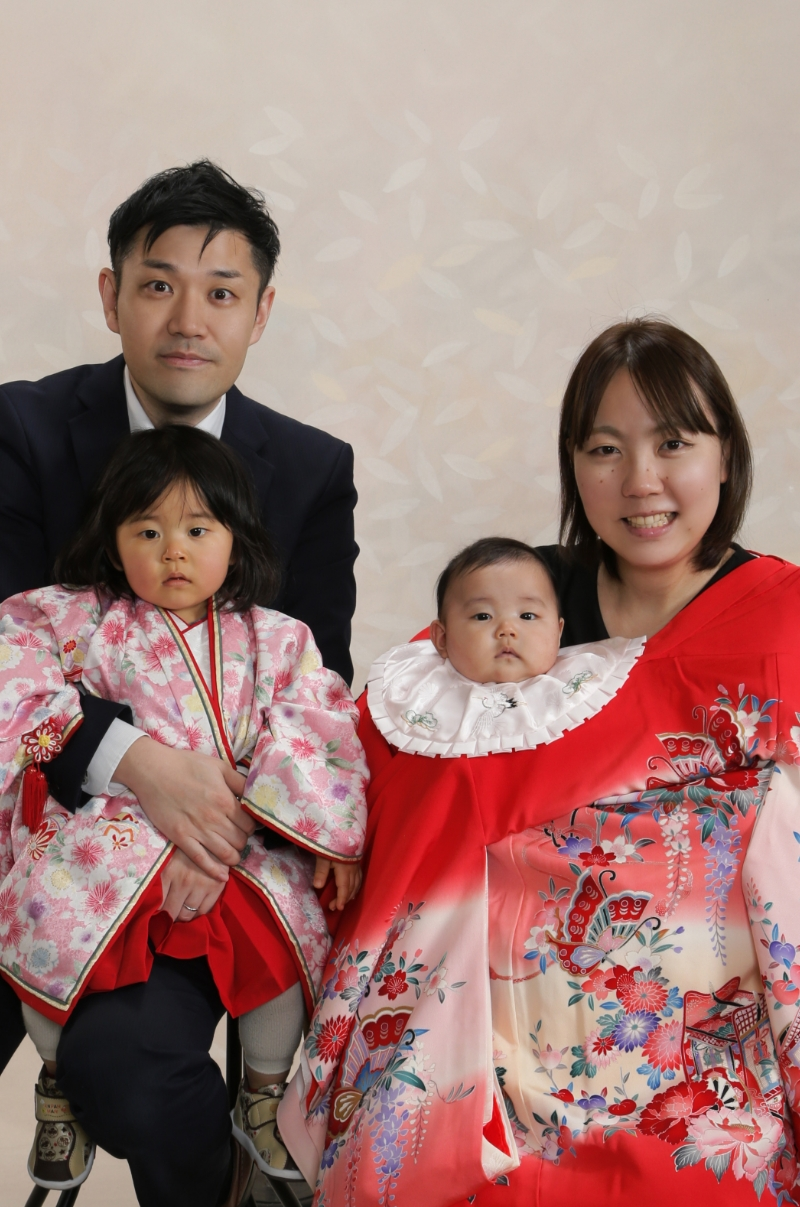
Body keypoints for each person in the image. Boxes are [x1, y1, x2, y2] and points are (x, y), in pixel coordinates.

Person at [279, 318, 800, 1206]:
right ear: (572, 465)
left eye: (674, 443)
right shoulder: (517, 599)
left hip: (692, 1027)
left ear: (726, 455)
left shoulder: (782, 615)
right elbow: (393, 753)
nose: (641, 481)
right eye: (605, 448)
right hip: (483, 1025)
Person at [0, 160, 358, 1095]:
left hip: (217, 844)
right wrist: (136, 764)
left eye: (222, 292)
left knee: (141, 1078)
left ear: (261, 311)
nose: (189, 320)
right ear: (112, 296)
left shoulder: (312, 468)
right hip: (31, 808)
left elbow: (318, 687)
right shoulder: (19, 427)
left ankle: (252, 1130)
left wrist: (224, 827)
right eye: (159, 286)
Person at [0, 425, 367, 1206]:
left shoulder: (277, 638)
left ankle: (266, 1092)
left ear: (236, 537)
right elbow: (13, 687)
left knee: (286, 928)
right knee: (43, 910)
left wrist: (316, 830)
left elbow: (315, 728)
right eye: (148, 531)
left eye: (198, 530)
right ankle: (58, 1080)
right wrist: (147, 802)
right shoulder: (70, 618)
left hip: (243, 845)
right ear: (112, 539)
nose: (174, 551)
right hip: (111, 843)